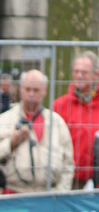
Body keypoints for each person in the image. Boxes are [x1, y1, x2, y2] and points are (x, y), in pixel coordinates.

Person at [0, 69, 74, 193]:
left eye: (36, 90)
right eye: (27, 89)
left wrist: (59, 193)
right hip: (13, 195)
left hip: (48, 195)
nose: (31, 94)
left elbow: (68, 164)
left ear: (45, 91)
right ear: (21, 89)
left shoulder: (57, 123)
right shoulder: (4, 120)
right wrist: (10, 143)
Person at [53, 51, 99, 189]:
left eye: (84, 72)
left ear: (95, 75)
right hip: (69, 180)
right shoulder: (59, 105)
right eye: (76, 71)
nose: (79, 76)